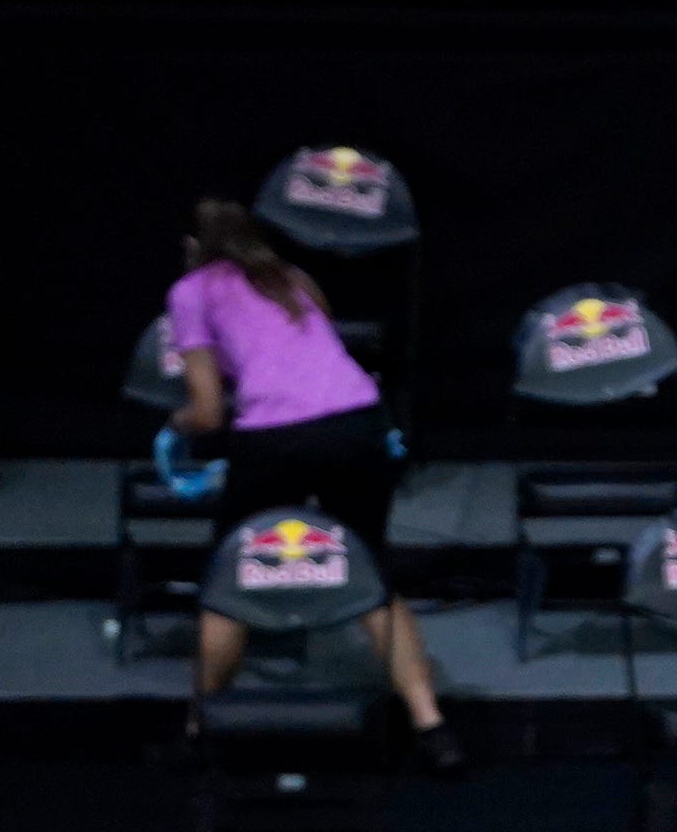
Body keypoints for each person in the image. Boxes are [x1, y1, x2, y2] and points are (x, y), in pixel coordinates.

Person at [163, 198, 459, 768]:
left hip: (277, 437)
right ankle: (432, 727)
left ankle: (198, 730)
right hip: (359, 423)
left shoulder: (191, 291)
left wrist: (172, 427)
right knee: (369, 571)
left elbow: (206, 413)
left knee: (231, 578)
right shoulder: (292, 278)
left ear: (192, 247)